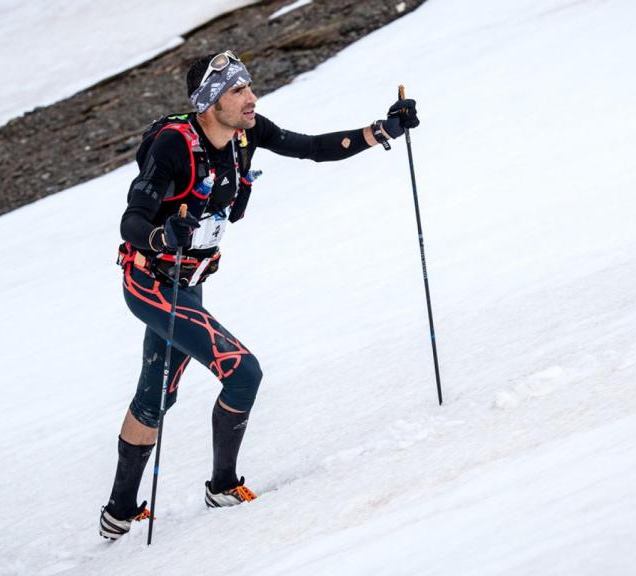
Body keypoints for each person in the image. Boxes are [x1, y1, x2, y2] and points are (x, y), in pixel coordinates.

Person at [98, 51, 419, 540]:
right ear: (208, 103)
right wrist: (163, 237)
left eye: (249, 86)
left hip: (189, 283)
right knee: (243, 372)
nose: (251, 98)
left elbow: (312, 146)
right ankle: (222, 486)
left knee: (154, 396)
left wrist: (382, 131)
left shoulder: (246, 132)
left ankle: (118, 514)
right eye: (236, 91)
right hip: (151, 283)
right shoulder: (172, 145)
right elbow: (133, 219)